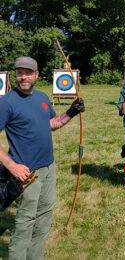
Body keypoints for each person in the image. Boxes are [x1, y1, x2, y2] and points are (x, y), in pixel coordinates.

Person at [0, 56, 85, 259]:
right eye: (19, 73)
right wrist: (12, 167)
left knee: (45, 216)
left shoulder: (42, 98)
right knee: (25, 221)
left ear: (37, 75)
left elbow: (52, 124)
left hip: (48, 168)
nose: (23, 77)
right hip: (27, 173)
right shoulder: (6, 103)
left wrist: (71, 113)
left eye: (28, 73)